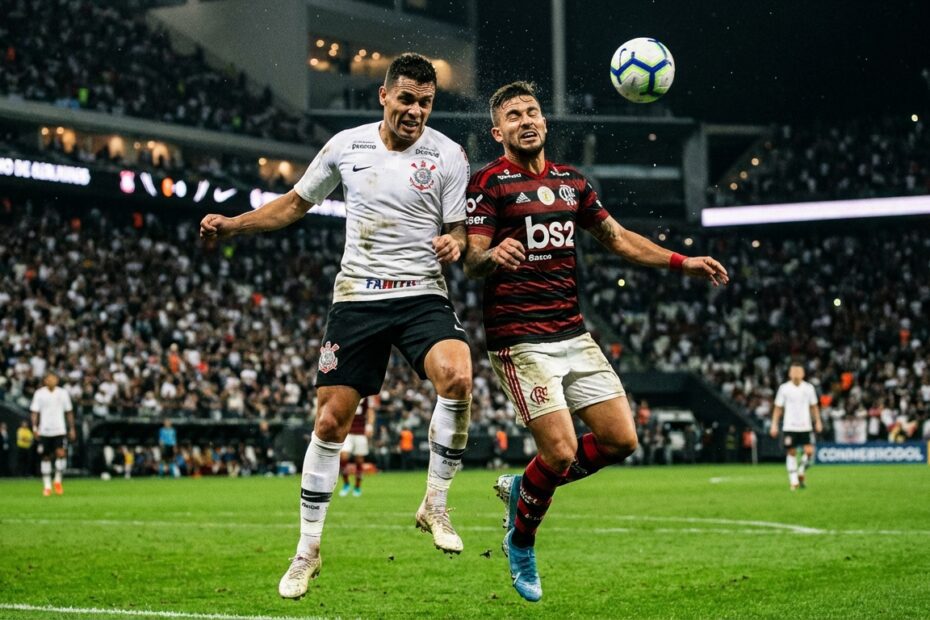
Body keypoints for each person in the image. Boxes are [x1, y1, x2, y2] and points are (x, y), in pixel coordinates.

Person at [200, 53, 473, 600]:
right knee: (329, 424)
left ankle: (435, 506)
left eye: (425, 102)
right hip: (358, 299)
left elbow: (460, 231)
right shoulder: (347, 146)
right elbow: (295, 205)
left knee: (459, 379)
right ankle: (307, 552)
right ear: (384, 96)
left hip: (421, 294)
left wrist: (456, 244)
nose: (415, 111)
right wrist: (235, 225)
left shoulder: (449, 155)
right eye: (406, 99)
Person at [463, 81, 729, 602]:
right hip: (521, 340)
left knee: (621, 441)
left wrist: (683, 262)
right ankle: (522, 539)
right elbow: (470, 260)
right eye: (514, 115)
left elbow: (620, 239)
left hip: (573, 333)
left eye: (533, 111)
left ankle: (524, 486)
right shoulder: (488, 184)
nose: (527, 120)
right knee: (559, 453)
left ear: (545, 121)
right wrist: (494, 256)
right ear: (499, 132)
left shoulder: (571, 182)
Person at [770, 364, 822, 490]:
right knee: (791, 452)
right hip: (790, 426)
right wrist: (774, 425)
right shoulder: (784, 388)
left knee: (809, 452)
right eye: (794, 371)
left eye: (799, 371)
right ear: (789, 373)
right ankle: (794, 481)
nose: (796, 373)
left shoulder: (809, 388)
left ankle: (801, 471)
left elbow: (814, 406)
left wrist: (818, 421)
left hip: (805, 426)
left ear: (803, 374)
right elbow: (778, 408)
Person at [30, 372, 76, 496]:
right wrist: (34, 427)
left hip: (59, 429)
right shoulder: (39, 394)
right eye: (49, 379)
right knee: (45, 457)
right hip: (44, 430)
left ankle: (57, 480)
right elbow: (34, 412)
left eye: (54, 378)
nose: (52, 381)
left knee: (61, 454)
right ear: (45, 381)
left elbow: (69, 412)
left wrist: (72, 428)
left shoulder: (63, 393)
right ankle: (47, 485)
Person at [339, 395, 378, 497]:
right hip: (348, 432)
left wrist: (369, 426)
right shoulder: (348, 393)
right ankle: (346, 484)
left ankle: (357, 487)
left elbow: (370, 411)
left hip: (360, 433)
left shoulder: (367, 395)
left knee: (359, 461)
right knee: (343, 457)